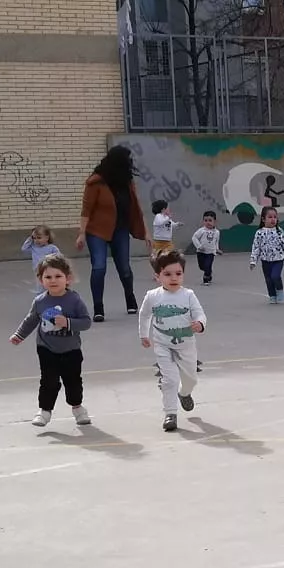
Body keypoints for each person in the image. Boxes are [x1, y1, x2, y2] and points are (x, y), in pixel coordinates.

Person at [9, 253, 95, 428]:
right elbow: (31, 320)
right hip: (46, 348)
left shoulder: (74, 300)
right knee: (48, 380)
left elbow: (86, 322)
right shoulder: (40, 301)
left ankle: (77, 408)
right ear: (41, 280)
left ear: (68, 278)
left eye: (58, 276)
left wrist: (68, 322)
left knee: (73, 381)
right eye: (47, 277)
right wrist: (19, 335)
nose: (53, 280)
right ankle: (45, 411)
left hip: (71, 349)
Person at [138, 250, 206, 434]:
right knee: (170, 380)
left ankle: (184, 393)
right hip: (163, 343)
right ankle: (170, 414)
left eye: (178, 273)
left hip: (186, 344)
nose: (173, 278)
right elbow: (144, 316)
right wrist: (144, 334)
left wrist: (199, 323)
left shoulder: (189, 295)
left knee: (190, 379)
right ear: (157, 276)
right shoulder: (152, 296)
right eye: (167, 274)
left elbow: (200, 313)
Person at [79, 145, 148, 321]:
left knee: (124, 267)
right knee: (99, 267)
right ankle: (98, 307)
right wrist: (81, 233)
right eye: (127, 159)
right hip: (97, 231)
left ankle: (130, 298)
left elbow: (136, 208)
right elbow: (86, 210)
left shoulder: (126, 181)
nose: (130, 162)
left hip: (120, 229)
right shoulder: (95, 182)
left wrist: (145, 231)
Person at [250, 205, 284, 304]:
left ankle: (280, 291)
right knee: (268, 279)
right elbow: (256, 248)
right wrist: (253, 261)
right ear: (263, 219)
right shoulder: (259, 233)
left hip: (278, 259)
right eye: (270, 217)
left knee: (275, 276)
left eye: (275, 217)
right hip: (265, 260)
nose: (273, 219)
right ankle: (272, 295)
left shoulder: (279, 232)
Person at [189, 211, 222, 285]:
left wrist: (217, 249)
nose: (208, 222)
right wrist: (199, 246)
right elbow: (194, 237)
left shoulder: (217, 232)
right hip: (201, 252)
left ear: (215, 221)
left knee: (208, 265)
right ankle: (208, 272)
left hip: (210, 253)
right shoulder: (201, 231)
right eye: (205, 220)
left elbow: (216, 241)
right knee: (202, 266)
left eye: (210, 220)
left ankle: (206, 279)